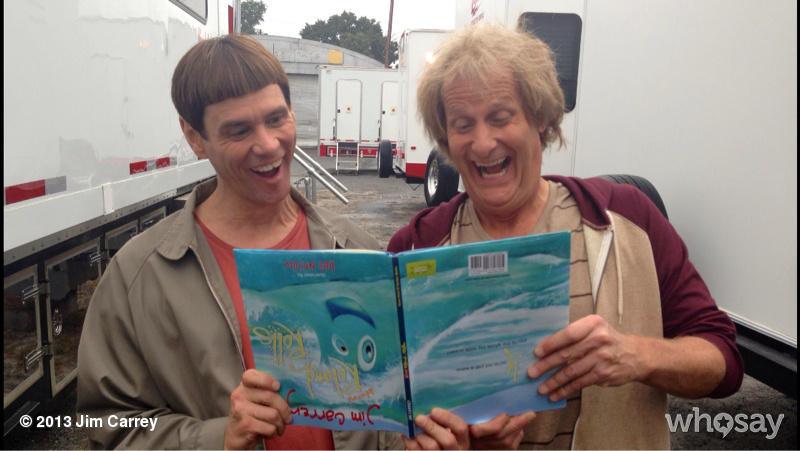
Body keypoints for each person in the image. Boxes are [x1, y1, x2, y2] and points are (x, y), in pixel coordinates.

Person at [388, 23, 744, 449]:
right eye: (463, 124)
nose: (482, 143)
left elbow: (723, 361)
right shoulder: (416, 247)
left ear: (540, 119)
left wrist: (638, 355)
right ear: (445, 137)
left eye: (501, 118)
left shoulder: (625, 218)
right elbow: (387, 408)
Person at [77, 35, 432, 450]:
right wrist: (218, 438)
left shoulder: (358, 251)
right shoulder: (140, 275)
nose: (267, 144)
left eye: (276, 119)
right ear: (194, 137)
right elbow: (106, 425)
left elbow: (393, 403)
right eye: (239, 130)